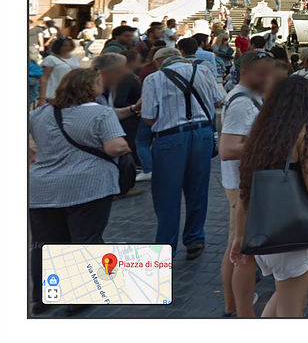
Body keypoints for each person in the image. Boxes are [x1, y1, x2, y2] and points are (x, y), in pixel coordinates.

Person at [29, 68, 130, 315]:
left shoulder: (39, 113)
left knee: (46, 242)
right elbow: (115, 147)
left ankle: (44, 297)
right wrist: (124, 146)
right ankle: (81, 295)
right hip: (88, 185)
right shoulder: (101, 113)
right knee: (86, 238)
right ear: (89, 88)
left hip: (43, 187)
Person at [229, 75, 308, 317]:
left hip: (263, 233)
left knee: (283, 298)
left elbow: (244, 192)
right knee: (292, 309)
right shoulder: (304, 133)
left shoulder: (261, 135)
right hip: (293, 232)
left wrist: (240, 237)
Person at [140, 47, 225, 257]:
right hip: (202, 134)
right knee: (198, 190)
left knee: (167, 195)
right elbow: (219, 100)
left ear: (158, 62)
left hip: (171, 138)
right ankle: (195, 239)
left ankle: (166, 247)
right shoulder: (203, 71)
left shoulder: (154, 79)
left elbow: (149, 118)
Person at [218, 51, 274, 317]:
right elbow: (228, 149)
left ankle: (233, 303)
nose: (268, 79)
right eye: (263, 74)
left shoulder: (250, 97)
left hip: (245, 180)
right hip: (241, 183)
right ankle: (236, 307)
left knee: (237, 244)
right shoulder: (241, 102)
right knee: (239, 247)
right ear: (248, 73)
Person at [37, 37, 80, 105]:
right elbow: (44, 78)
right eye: (65, 46)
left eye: (69, 45)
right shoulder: (50, 59)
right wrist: (42, 97)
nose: (68, 48)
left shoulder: (74, 57)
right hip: (53, 94)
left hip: (71, 93)